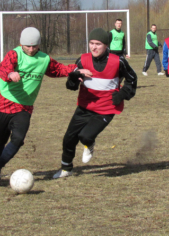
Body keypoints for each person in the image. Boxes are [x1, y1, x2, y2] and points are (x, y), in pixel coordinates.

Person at [0, 27, 92, 179]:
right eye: (28, 46)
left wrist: (76, 70)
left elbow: (58, 69)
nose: (31, 49)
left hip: (25, 107)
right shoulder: (14, 54)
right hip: (5, 102)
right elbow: (3, 68)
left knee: (18, 139)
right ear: (21, 44)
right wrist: (10, 74)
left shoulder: (44, 59)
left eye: (35, 46)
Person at [53, 28, 137, 179]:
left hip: (106, 109)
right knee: (69, 138)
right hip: (84, 107)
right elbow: (71, 86)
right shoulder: (82, 60)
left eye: (98, 44)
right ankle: (66, 169)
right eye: (91, 43)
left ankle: (89, 144)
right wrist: (73, 78)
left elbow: (132, 79)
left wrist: (123, 94)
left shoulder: (118, 61)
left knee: (85, 136)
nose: (94, 47)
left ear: (106, 45)